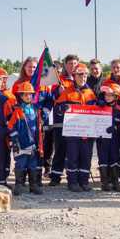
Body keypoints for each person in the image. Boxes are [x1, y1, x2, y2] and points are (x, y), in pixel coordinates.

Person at [54, 63, 97, 192]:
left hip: (87, 133)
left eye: (85, 75)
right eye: (80, 74)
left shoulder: (91, 94)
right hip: (72, 132)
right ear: (74, 76)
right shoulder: (67, 92)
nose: (83, 77)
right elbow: (56, 108)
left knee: (86, 156)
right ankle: (72, 182)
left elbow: (96, 112)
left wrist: (100, 106)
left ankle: (84, 181)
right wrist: (62, 107)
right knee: (72, 156)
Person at [48, 54, 80, 186]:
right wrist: (58, 92)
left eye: (74, 63)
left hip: (77, 122)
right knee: (60, 149)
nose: (72, 66)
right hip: (60, 120)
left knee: (74, 150)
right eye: (70, 64)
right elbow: (51, 96)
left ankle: (74, 175)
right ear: (65, 65)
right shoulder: (58, 80)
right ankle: (55, 177)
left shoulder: (81, 78)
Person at [9, 82, 42, 195]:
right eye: (26, 94)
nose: (29, 96)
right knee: (20, 165)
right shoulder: (17, 111)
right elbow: (11, 127)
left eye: (30, 94)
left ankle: (33, 185)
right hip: (21, 144)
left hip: (33, 144)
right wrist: (15, 141)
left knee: (33, 165)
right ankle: (19, 185)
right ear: (21, 96)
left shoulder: (36, 110)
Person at [95, 83, 120, 191]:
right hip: (102, 139)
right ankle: (105, 182)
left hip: (115, 140)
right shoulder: (99, 107)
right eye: (106, 95)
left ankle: (115, 181)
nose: (107, 97)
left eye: (110, 95)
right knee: (103, 159)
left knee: (114, 159)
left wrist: (117, 128)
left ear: (116, 96)